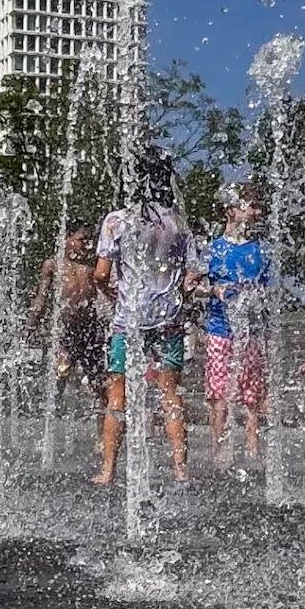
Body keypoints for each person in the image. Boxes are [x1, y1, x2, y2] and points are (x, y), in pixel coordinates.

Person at [91, 146, 194, 485]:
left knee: (117, 394)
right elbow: (191, 276)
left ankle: (107, 471)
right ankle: (181, 469)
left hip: (130, 319)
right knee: (170, 394)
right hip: (169, 319)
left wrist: (115, 296)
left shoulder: (117, 221)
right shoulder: (178, 223)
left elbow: (101, 274)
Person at [194, 182, 270, 467]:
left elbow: (271, 295)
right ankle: (219, 450)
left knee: (252, 394)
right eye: (250, 206)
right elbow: (190, 286)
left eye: (257, 207)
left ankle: (252, 451)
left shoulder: (261, 251)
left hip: (251, 333)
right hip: (219, 331)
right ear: (230, 211)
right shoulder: (213, 250)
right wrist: (215, 291)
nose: (256, 212)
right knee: (217, 394)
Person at [29, 222, 107, 412]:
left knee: (100, 384)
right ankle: (47, 417)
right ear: (67, 239)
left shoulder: (91, 266)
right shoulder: (53, 265)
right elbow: (41, 299)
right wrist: (30, 326)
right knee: (60, 374)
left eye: (89, 240)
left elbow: (105, 295)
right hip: (66, 330)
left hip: (90, 329)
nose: (86, 244)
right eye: (81, 240)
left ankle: (104, 437)